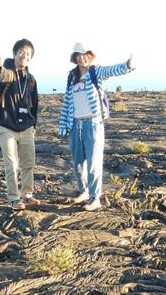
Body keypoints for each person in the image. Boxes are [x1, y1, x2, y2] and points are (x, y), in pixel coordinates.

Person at [58, 43, 135, 211]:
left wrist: (127, 66)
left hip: (92, 124)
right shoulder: (72, 76)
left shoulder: (95, 72)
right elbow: (67, 100)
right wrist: (64, 124)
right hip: (75, 124)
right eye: (78, 55)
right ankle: (83, 191)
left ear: (90, 55)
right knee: (78, 163)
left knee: (93, 163)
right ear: (74, 57)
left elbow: (111, 70)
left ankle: (95, 198)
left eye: (85, 54)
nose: (81, 57)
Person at [0, 39, 39, 211]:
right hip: (7, 126)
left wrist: (33, 125)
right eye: (21, 52)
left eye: (28, 54)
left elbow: (35, 104)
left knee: (28, 163)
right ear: (14, 54)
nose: (24, 56)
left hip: (26, 127)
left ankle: (27, 195)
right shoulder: (7, 73)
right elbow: (0, 76)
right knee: (11, 164)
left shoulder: (31, 79)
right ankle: (13, 198)